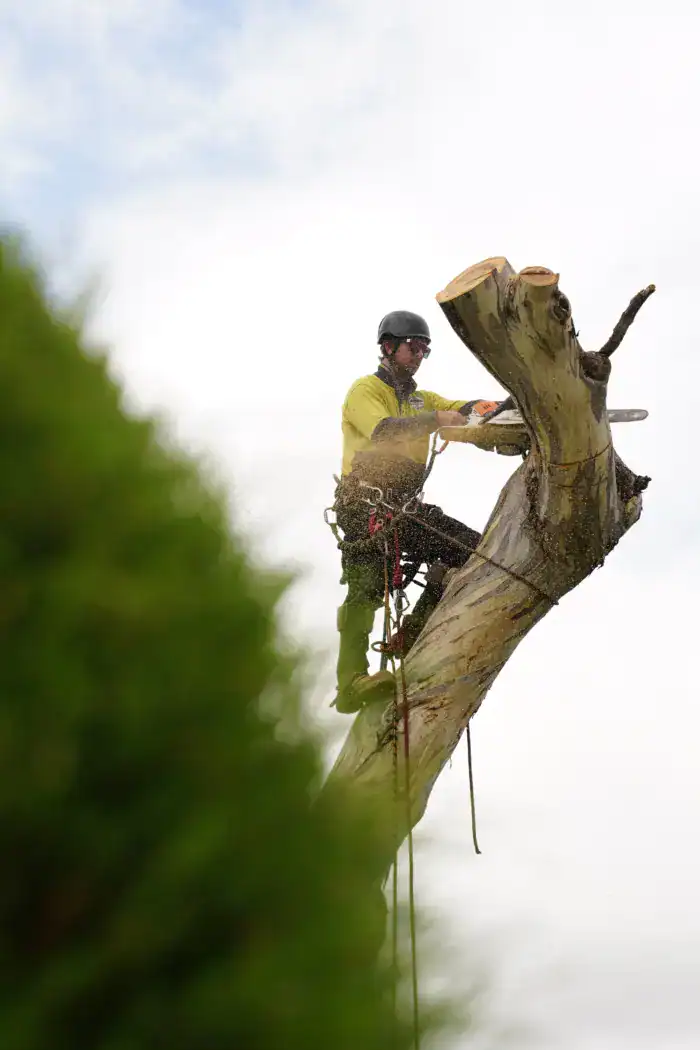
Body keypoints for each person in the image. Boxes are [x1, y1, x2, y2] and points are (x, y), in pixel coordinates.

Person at [331, 309, 509, 714]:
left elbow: (463, 410)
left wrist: (506, 408)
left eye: (424, 350)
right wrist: (435, 420)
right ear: (389, 347)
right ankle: (350, 684)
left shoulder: (420, 399)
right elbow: (383, 430)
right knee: (364, 590)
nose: (419, 355)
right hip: (364, 506)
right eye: (414, 347)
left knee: (472, 552)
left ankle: (411, 635)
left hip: (405, 510)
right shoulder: (366, 390)